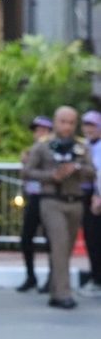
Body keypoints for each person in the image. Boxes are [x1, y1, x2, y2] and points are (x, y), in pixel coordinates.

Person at [22, 106, 96, 309]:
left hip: (75, 201)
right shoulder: (43, 146)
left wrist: (77, 168)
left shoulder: (82, 147)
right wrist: (51, 176)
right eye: (63, 122)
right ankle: (64, 293)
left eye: (71, 122)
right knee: (60, 244)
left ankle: (55, 292)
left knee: (66, 248)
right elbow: (27, 172)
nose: (67, 126)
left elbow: (92, 171)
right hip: (51, 200)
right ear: (56, 122)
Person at [16, 115, 53, 292]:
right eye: (37, 130)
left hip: (48, 197)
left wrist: (30, 166)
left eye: (43, 130)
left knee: (51, 240)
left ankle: (53, 278)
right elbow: (27, 173)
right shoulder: (32, 150)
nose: (39, 134)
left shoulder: (53, 149)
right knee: (26, 238)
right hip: (33, 197)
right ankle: (31, 276)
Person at [78, 110, 101, 298]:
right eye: (86, 125)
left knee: (95, 239)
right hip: (85, 196)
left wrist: (98, 195)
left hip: (96, 197)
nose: (89, 129)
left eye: (93, 125)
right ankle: (96, 277)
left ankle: (98, 280)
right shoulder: (83, 146)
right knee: (91, 239)